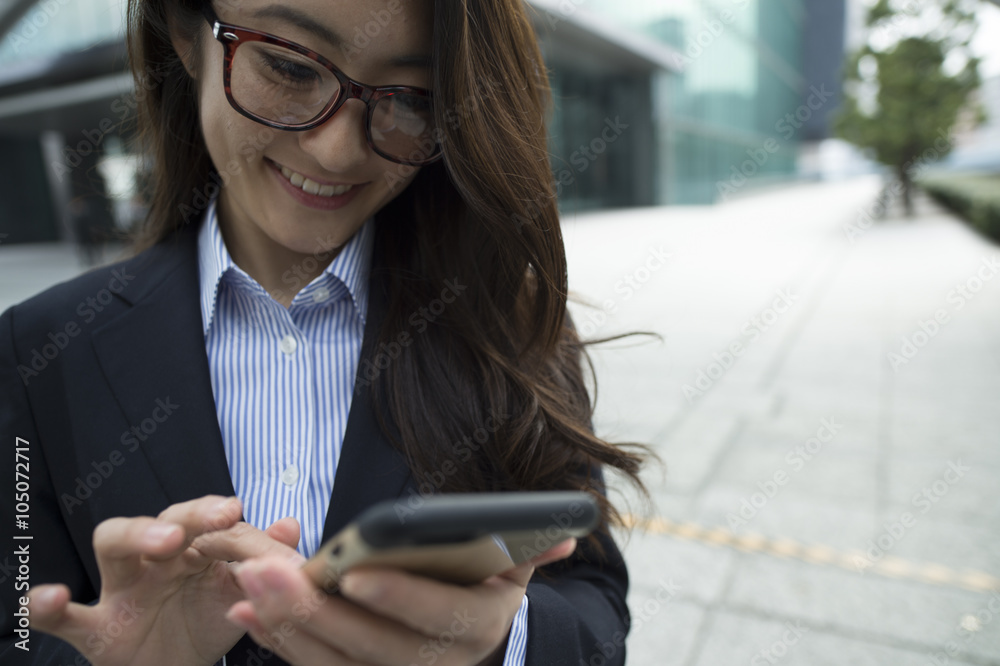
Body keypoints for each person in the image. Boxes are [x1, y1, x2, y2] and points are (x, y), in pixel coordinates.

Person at [0, 0, 648, 664]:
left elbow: (593, 602)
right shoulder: (38, 351)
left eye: (411, 98)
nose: (336, 148)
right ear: (187, 34)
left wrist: (501, 640)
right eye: (288, 67)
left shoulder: (505, 321)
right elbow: (15, 630)